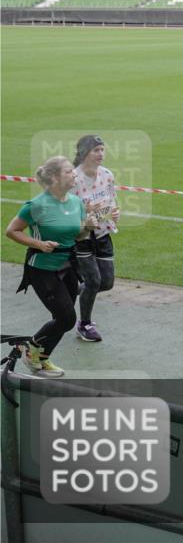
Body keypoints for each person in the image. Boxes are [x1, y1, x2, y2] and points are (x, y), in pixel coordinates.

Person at [5, 156, 93, 378]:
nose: (75, 174)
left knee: (61, 318)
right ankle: (31, 349)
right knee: (66, 318)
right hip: (42, 269)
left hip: (68, 266)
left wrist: (88, 227)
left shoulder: (77, 203)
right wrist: (39, 244)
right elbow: (11, 231)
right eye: (69, 171)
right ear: (54, 177)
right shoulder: (36, 206)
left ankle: (41, 359)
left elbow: (79, 236)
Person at [71, 135, 119, 342]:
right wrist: (85, 210)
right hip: (82, 236)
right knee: (93, 281)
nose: (101, 154)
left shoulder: (107, 175)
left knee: (106, 282)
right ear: (84, 153)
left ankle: (75, 290)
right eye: (96, 150)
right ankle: (84, 325)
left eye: (102, 150)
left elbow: (111, 201)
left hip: (103, 233)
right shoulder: (73, 179)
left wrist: (114, 213)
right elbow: (65, 211)